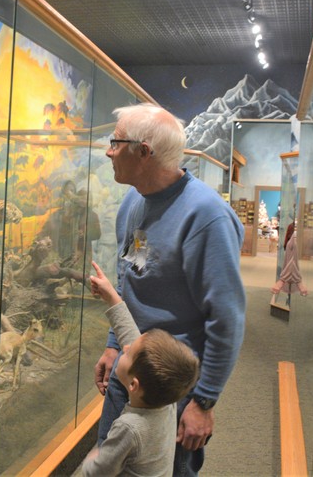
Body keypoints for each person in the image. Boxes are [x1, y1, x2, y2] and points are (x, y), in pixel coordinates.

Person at [94, 103, 246, 475]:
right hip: (129, 368)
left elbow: (226, 320)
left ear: (143, 152)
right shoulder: (134, 200)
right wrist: (116, 346)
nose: (108, 150)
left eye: (116, 141)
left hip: (172, 388)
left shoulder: (206, 217)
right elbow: (132, 276)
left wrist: (204, 401)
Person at [83, 261, 199, 477]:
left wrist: (91, 460)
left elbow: (99, 471)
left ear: (134, 384)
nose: (124, 347)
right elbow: (131, 337)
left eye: (127, 353)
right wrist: (111, 297)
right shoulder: (168, 402)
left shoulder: (129, 428)